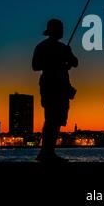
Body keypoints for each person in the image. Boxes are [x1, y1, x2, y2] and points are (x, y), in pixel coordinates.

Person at [32, 19, 78, 162]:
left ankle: (48, 151)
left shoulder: (61, 48)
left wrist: (66, 57)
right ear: (55, 31)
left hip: (60, 87)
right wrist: (58, 61)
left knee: (56, 120)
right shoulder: (46, 47)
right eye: (61, 28)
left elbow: (74, 63)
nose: (63, 31)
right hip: (52, 86)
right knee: (52, 120)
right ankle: (46, 153)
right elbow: (35, 66)